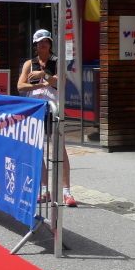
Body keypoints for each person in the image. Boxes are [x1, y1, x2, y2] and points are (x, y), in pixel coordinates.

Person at [17, 29, 78, 207]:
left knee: (59, 149)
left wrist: (43, 76)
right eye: (40, 42)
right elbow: (20, 86)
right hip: (36, 110)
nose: (44, 44)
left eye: (47, 41)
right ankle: (44, 189)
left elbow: (61, 83)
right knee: (38, 150)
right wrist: (39, 84)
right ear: (35, 45)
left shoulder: (57, 61)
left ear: (50, 43)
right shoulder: (30, 63)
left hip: (53, 109)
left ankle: (66, 191)